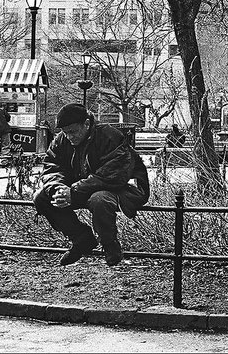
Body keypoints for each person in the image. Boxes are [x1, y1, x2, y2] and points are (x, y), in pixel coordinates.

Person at [33, 103, 150, 267]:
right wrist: (58, 188)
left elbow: (113, 175)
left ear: (87, 124)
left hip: (124, 188)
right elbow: (52, 167)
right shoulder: (61, 140)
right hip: (84, 188)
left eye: (73, 132)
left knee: (99, 199)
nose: (69, 137)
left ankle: (110, 246)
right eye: (65, 133)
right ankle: (82, 238)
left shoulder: (110, 136)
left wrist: (73, 191)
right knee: (42, 197)